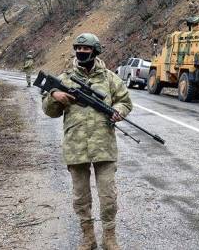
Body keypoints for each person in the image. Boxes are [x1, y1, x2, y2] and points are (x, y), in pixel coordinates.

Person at [41, 33, 132, 250]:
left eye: (86, 48)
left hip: (104, 146)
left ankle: (109, 238)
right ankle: (88, 237)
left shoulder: (110, 78)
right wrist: (55, 96)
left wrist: (118, 111)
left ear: (95, 51)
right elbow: (49, 111)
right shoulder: (65, 78)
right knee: (81, 197)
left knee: (108, 196)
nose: (81, 52)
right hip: (76, 145)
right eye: (78, 48)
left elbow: (125, 102)